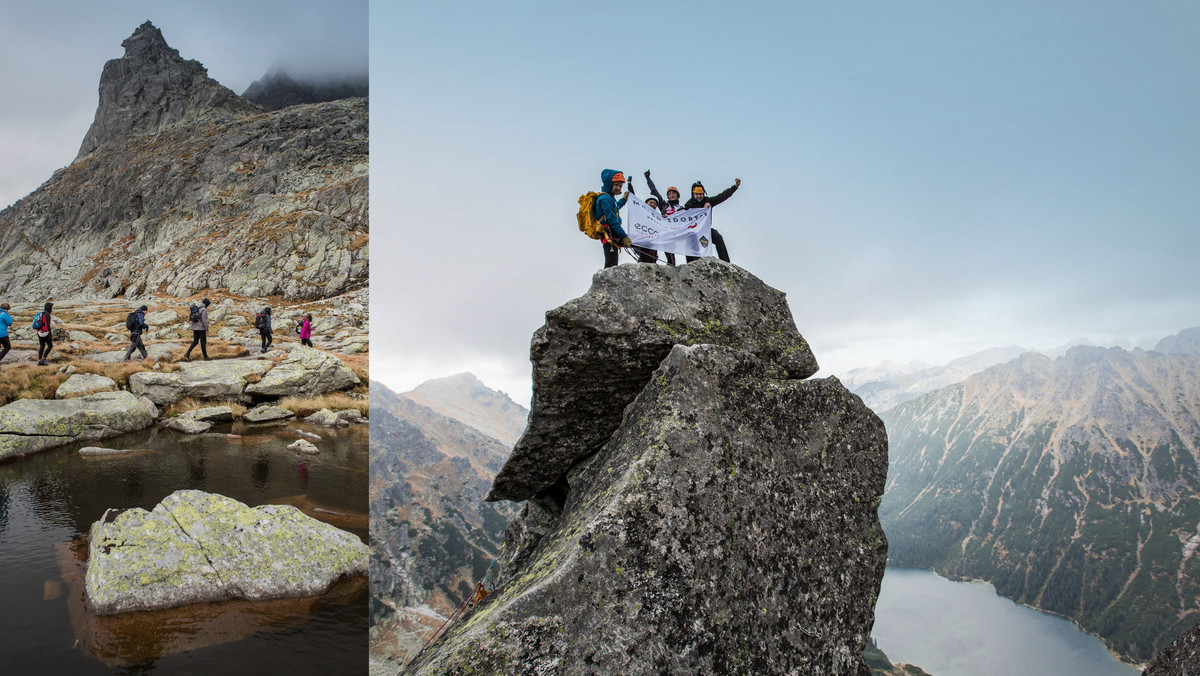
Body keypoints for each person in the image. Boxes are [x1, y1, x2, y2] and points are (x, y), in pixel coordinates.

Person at [683, 178, 740, 263]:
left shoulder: (708, 201)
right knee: (691, 244)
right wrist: (702, 209)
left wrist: (735, 187)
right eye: (697, 194)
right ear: (693, 194)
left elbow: (721, 196)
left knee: (718, 237)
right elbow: (683, 214)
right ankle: (690, 266)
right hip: (694, 232)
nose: (699, 196)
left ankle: (726, 263)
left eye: (701, 194)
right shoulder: (689, 204)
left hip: (705, 232)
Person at [595, 169, 633, 268]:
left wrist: (623, 200)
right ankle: (605, 283)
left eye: (620, 186)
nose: (618, 188)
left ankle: (605, 282)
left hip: (611, 235)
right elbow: (612, 220)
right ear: (609, 184)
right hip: (609, 235)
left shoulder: (609, 198)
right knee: (611, 263)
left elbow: (615, 208)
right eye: (616, 185)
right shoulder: (605, 199)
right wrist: (624, 236)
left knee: (612, 262)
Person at [641, 170, 678, 265]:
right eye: (669, 194)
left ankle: (672, 266)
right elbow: (655, 192)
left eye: (674, 193)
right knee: (653, 251)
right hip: (664, 231)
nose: (671, 195)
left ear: (677, 196)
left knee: (671, 255)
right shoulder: (664, 205)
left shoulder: (682, 209)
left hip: (675, 232)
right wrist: (648, 179)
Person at [34, 302, 53, 366]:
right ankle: (43, 358)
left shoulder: (42, 313)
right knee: (50, 346)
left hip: (39, 332)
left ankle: (39, 361)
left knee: (42, 346)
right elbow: (47, 325)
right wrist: (50, 334)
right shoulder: (47, 314)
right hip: (45, 333)